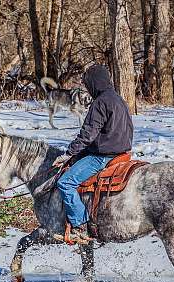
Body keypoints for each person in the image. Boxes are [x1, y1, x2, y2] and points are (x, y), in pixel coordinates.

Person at [52, 64, 134, 242]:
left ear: (95, 83)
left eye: (88, 84)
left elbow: (88, 133)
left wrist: (69, 153)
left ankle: (80, 226)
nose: (88, 89)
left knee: (65, 182)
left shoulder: (100, 102)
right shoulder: (118, 99)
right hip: (123, 153)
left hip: (103, 157)